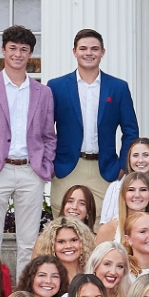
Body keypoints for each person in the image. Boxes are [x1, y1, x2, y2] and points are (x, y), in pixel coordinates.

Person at [0, 25, 56, 271]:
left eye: (24, 50)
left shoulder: (43, 93)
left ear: (31, 54)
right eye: (13, 48)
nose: (18, 54)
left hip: (31, 171)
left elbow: (49, 135)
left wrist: (45, 166)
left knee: (28, 243)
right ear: (3, 50)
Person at [50, 30, 141, 212]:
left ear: (102, 52)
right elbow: (44, 129)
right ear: (74, 51)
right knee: (65, 225)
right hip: (66, 169)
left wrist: (122, 166)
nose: (88, 53)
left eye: (94, 49)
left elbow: (131, 130)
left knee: (103, 227)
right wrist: (49, 163)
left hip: (105, 170)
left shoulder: (118, 87)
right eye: (83, 48)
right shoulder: (56, 86)